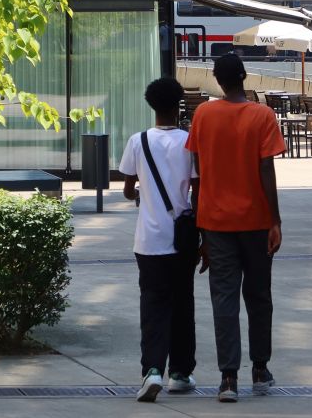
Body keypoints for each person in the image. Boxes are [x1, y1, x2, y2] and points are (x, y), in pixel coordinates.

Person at [186, 53, 285, 403]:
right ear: (244, 77)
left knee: (224, 299)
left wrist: (201, 230)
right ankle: (260, 369)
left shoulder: (203, 115)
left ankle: (228, 378)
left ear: (217, 79)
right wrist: (275, 220)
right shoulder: (262, 115)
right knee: (259, 297)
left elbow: (198, 174)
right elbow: (266, 171)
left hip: (216, 223)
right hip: (256, 222)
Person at [120, 76, 200, 403]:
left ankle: (152, 370)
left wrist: (142, 193)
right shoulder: (189, 141)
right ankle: (180, 373)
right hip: (182, 239)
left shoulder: (137, 141)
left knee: (153, 305)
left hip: (149, 240)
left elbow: (127, 190)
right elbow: (198, 186)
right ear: (178, 105)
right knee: (183, 304)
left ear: (151, 105)